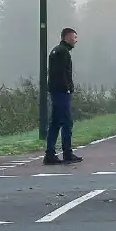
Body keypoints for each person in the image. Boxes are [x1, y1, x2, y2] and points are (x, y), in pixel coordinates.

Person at [45, 28, 82, 165]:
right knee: (67, 122)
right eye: (74, 37)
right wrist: (67, 88)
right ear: (67, 37)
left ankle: (50, 153)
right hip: (62, 92)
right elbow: (61, 73)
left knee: (55, 123)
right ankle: (67, 153)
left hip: (55, 91)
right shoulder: (63, 52)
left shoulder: (55, 51)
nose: (75, 40)